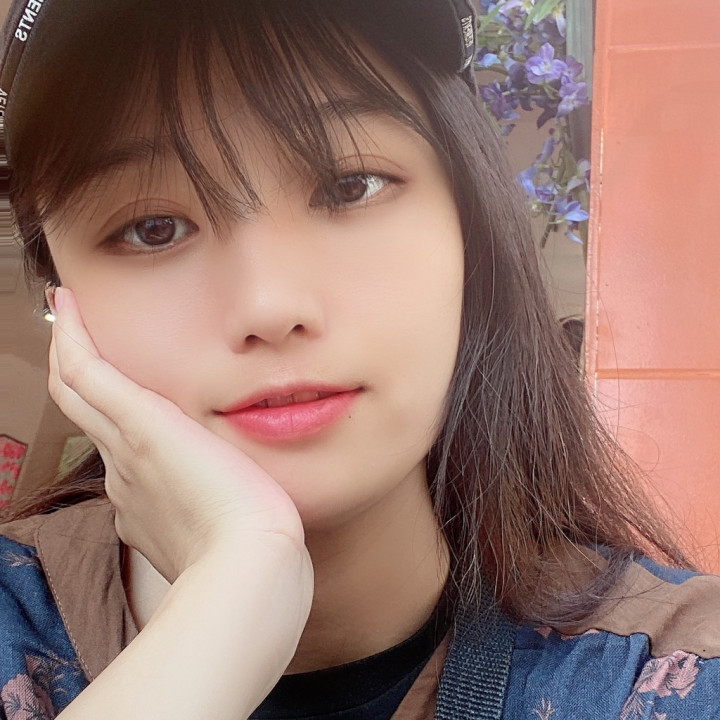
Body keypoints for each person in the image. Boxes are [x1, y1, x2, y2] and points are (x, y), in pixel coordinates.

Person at [1, 1, 719, 718]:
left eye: (350, 186)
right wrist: (226, 602)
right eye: (153, 228)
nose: (270, 305)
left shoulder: (671, 673)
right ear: (63, 298)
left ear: (469, 230)